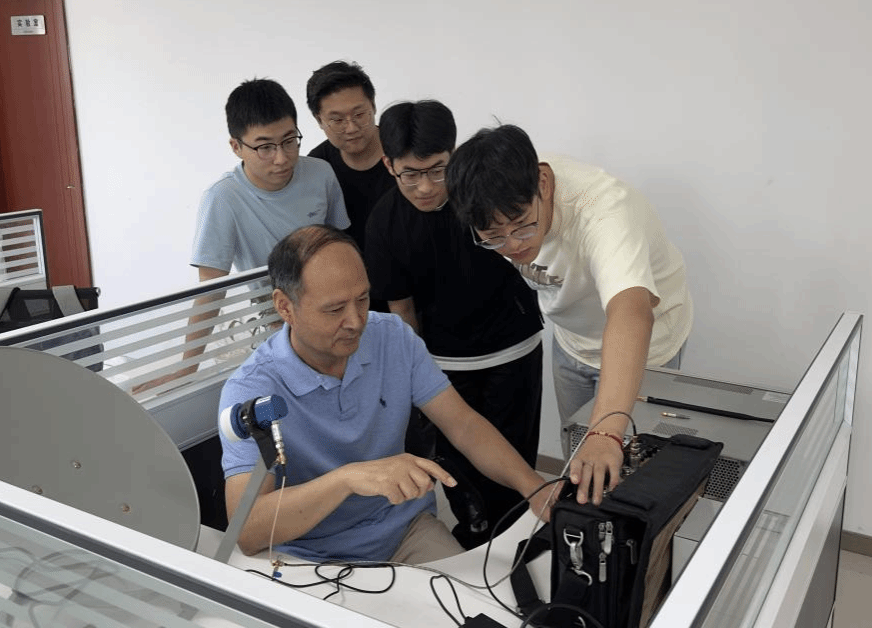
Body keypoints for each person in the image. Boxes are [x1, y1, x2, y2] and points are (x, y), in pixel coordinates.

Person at [218, 225, 552, 563]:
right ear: (285, 306)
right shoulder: (251, 392)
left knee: (472, 595)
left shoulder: (392, 336)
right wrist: (347, 479)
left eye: (362, 299)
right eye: (335, 309)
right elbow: (247, 530)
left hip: (404, 531)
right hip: (306, 553)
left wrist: (534, 487)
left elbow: (463, 425)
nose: (355, 321)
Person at [447, 125, 692, 506]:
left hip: (647, 350)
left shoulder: (604, 211)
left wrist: (606, 431)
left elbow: (631, 313)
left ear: (543, 184)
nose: (513, 246)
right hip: (572, 342)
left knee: (636, 473)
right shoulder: (495, 197)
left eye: (523, 226)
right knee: (580, 458)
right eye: (493, 237)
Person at [364, 101, 543, 549]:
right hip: (444, 366)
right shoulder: (384, 222)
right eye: (410, 174)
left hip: (513, 350)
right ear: (388, 165)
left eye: (437, 170)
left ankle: (518, 544)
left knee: (515, 460)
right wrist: (415, 378)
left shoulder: (483, 199)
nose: (425, 186)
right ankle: (478, 544)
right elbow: (402, 311)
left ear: (454, 154)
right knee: (462, 475)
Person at [137, 79, 348, 391]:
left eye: (290, 141)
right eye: (265, 147)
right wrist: (186, 368)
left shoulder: (321, 174)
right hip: (276, 326)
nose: (281, 157)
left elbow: (342, 253)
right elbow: (211, 291)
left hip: (335, 315)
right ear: (236, 147)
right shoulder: (223, 198)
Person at [305, 62, 393, 281]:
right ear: (319, 120)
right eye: (337, 120)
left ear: (373, 106)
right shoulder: (316, 167)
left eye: (359, 114)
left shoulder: (403, 150)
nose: (351, 127)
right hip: (349, 285)